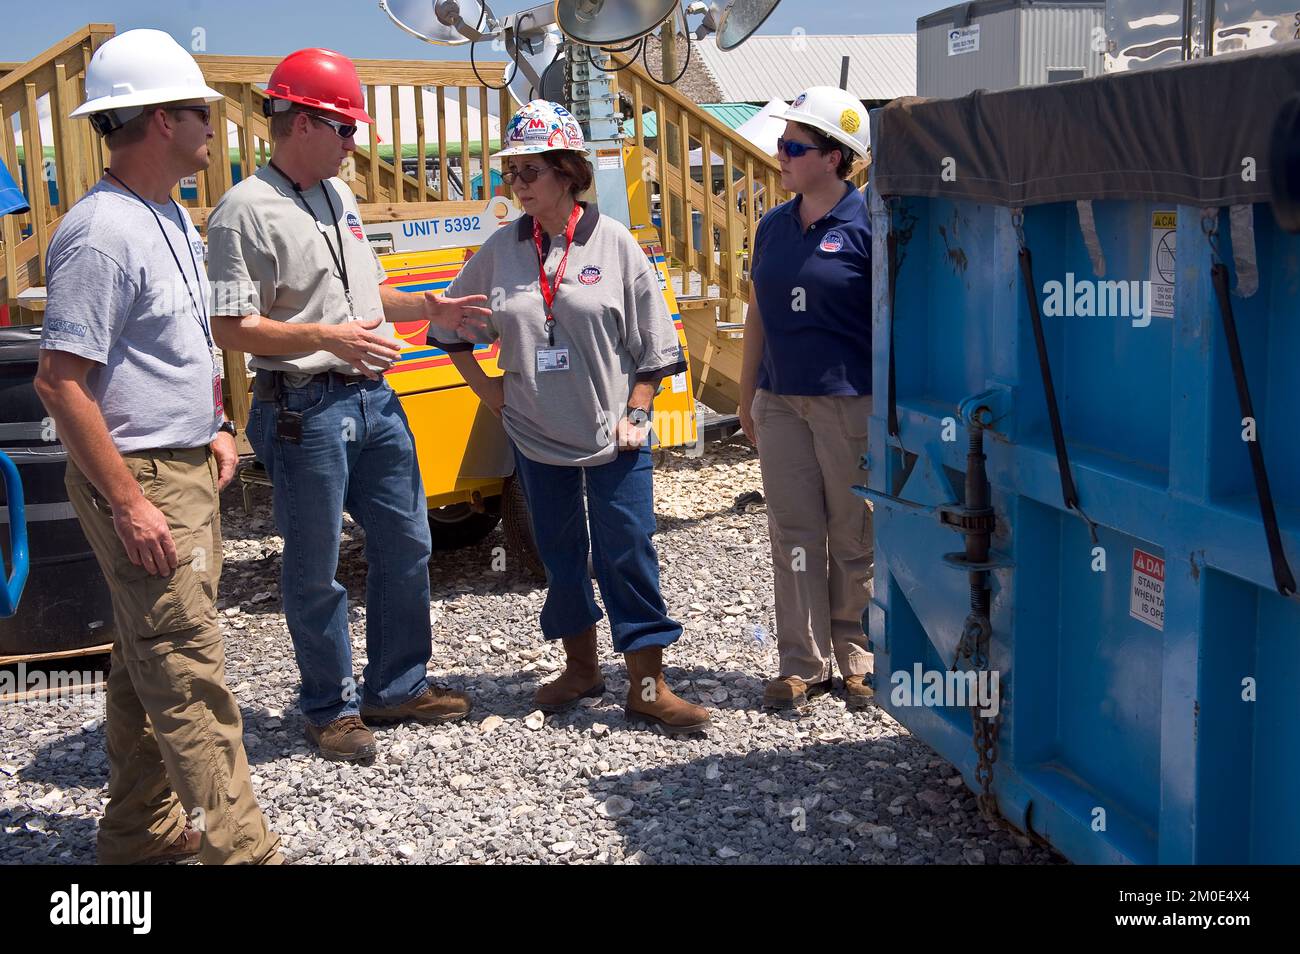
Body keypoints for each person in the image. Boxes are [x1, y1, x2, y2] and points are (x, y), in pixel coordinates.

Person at [34, 29, 281, 864]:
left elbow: (167, 348)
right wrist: (132, 501)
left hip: (175, 465)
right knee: (187, 669)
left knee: (153, 656)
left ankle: (138, 838)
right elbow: (61, 383)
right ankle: (242, 852)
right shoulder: (100, 233)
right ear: (155, 121)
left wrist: (210, 421)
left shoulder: (168, 215)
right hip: (139, 478)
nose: (214, 122)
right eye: (198, 110)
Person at [206, 48, 490, 761]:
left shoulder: (339, 197)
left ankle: (395, 688)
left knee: (409, 540)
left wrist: (431, 306)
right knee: (315, 567)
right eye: (345, 128)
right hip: (304, 408)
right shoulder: (241, 214)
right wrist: (324, 335)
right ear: (302, 122)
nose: (354, 143)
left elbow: (368, 300)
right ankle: (327, 709)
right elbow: (229, 328)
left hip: (373, 400)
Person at [431, 100, 710, 735]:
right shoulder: (501, 249)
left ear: (567, 171)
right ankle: (580, 669)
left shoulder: (614, 243)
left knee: (628, 550)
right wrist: (491, 394)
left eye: (531, 171)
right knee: (559, 553)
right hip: (534, 436)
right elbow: (449, 329)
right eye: (512, 173)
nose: (519, 184)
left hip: (614, 432)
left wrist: (639, 411)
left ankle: (647, 684)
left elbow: (657, 346)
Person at [736, 86, 876, 711]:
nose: (781, 153)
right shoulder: (772, 226)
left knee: (853, 531)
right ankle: (803, 663)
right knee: (793, 530)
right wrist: (748, 396)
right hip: (781, 401)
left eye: (795, 145)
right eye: (782, 142)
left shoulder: (870, 226)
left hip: (850, 401)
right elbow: (758, 312)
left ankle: (859, 659)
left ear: (836, 158)